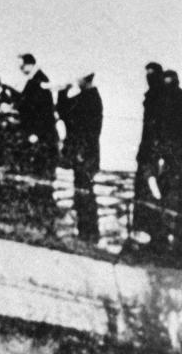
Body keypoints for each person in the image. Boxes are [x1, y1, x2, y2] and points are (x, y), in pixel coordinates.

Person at [134, 64, 182, 251]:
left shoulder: (181, 105)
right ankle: (173, 242)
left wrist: (165, 155)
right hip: (178, 163)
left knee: (175, 204)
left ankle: (175, 244)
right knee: (174, 205)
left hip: (180, 164)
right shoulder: (179, 103)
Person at [58, 73, 102, 241]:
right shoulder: (86, 97)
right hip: (83, 154)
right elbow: (64, 112)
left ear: (86, 80)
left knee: (85, 192)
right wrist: (64, 92)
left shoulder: (91, 100)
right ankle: (86, 231)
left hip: (85, 155)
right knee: (83, 192)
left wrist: (81, 152)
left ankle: (89, 233)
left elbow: (91, 131)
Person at [16, 53, 59, 175]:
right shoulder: (35, 80)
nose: (20, 69)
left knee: (42, 171)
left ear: (29, 64)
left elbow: (41, 111)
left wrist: (35, 132)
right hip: (40, 133)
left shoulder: (39, 81)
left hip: (41, 134)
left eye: (22, 66)